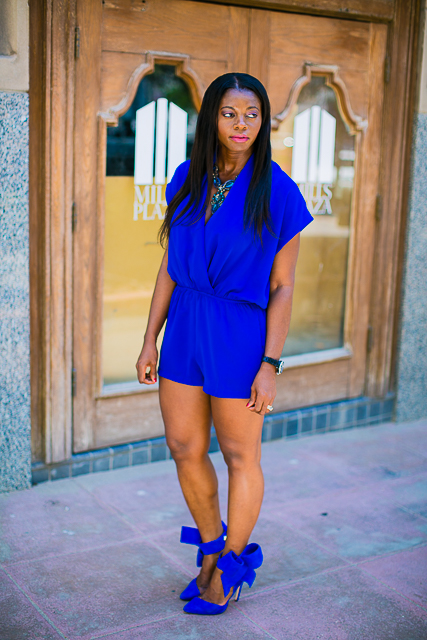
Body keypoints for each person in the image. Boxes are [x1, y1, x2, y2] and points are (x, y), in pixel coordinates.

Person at [136, 72, 313, 615]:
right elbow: (170, 265)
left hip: (239, 333)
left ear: (264, 121)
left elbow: (282, 287)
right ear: (211, 117)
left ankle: (231, 568)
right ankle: (211, 549)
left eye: (252, 114)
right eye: (230, 113)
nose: (242, 124)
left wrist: (270, 363)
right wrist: (150, 339)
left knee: (240, 454)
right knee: (183, 446)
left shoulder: (278, 191)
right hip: (186, 325)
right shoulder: (187, 177)